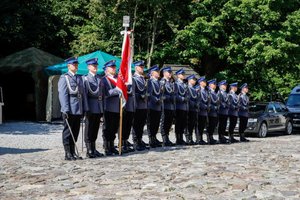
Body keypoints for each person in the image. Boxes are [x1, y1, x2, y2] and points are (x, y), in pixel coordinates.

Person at [58, 57, 88, 160]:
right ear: (68, 66)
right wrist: (65, 109)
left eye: (76, 64)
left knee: (75, 131)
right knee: (68, 131)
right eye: (73, 64)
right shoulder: (64, 77)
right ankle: (67, 153)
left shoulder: (79, 78)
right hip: (70, 108)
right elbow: (63, 95)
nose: (75, 66)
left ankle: (73, 151)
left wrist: (84, 108)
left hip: (78, 108)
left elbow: (83, 94)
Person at [101, 60, 121, 155]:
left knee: (114, 128)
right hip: (108, 107)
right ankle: (107, 146)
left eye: (114, 67)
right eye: (111, 67)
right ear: (107, 69)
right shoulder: (104, 80)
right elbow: (106, 93)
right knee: (107, 128)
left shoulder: (118, 79)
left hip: (117, 107)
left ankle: (112, 145)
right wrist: (117, 90)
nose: (114, 69)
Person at [132, 60, 148, 151]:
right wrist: (140, 96)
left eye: (142, 67)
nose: (142, 68)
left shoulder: (143, 78)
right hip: (137, 105)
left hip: (144, 105)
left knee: (141, 124)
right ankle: (135, 141)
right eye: (140, 67)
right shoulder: (134, 78)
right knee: (136, 124)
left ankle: (139, 139)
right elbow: (133, 92)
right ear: (136, 68)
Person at [147, 65, 163, 148]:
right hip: (152, 105)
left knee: (156, 123)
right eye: (157, 72)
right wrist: (156, 100)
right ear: (152, 73)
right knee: (151, 123)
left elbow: (160, 93)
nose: (158, 73)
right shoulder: (150, 81)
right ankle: (151, 139)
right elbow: (149, 94)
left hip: (158, 106)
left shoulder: (159, 82)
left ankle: (154, 137)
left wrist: (160, 99)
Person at [160, 66, 176, 147]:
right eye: (168, 72)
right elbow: (161, 94)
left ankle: (167, 137)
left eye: (170, 72)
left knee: (169, 123)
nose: (170, 74)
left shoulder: (170, 83)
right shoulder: (162, 82)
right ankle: (164, 138)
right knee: (164, 122)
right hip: (165, 105)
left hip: (170, 106)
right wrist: (167, 97)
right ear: (164, 73)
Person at [174, 68, 188, 145]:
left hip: (184, 107)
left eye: (184, 74)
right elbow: (176, 95)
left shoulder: (184, 84)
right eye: (182, 74)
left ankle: (181, 137)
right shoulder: (176, 84)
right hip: (179, 106)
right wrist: (183, 98)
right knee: (178, 123)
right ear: (178, 75)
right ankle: (178, 138)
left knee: (183, 123)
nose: (183, 75)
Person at [121, 83, 136, 153]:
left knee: (128, 125)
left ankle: (125, 141)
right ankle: (122, 143)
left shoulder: (130, 79)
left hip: (130, 105)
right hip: (124, 105)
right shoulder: (121, 78)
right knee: (123, 125)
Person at [186, 74, 198, 145]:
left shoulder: (194, 88)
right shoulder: (187, 87)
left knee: (192, 124)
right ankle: (188, 138)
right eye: (193, 80)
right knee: (188, 123)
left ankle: (190, 137)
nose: (195, 81)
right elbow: (188, 97)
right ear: (190, 80)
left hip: (194, 108)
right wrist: (193, 104)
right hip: (189, 108)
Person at [206, 79, 218, 145]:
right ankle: (209, 138)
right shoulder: (209, 92)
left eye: (215, 84)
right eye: (214, 84)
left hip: (214, 112)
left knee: (213, 125)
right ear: (210, 85)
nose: (215, 85)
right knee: (210, 125)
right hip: (210, 111)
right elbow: (209, 102)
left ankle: (211, 137)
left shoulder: (214, 92)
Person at [197, 76, 208, 145]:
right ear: (200, 83)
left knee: (202, 125)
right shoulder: (198, 90)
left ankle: (201, 138)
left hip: (205, 111)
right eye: (204, 81)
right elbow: (198, 100)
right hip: (200, 110)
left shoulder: (206, 91)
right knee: (199, 125)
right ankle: (199, 138)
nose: (205, 83)